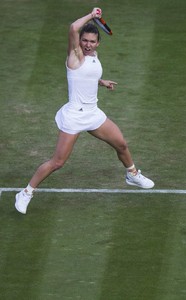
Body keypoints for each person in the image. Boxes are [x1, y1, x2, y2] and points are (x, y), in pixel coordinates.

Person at [15, 7, 154, 214]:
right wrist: (92, 15)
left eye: (92, 41)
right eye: (84, 40)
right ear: (79, 41)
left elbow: (84, 76)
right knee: (57, 162)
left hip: (93, 113)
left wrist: (101, 82)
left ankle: (132, 175)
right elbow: (73, 27)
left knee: (122, 145)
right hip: (74, 116)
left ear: (98, 43)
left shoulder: (93, 56)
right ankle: (25, 193)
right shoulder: (75, 55)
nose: (88, 45)